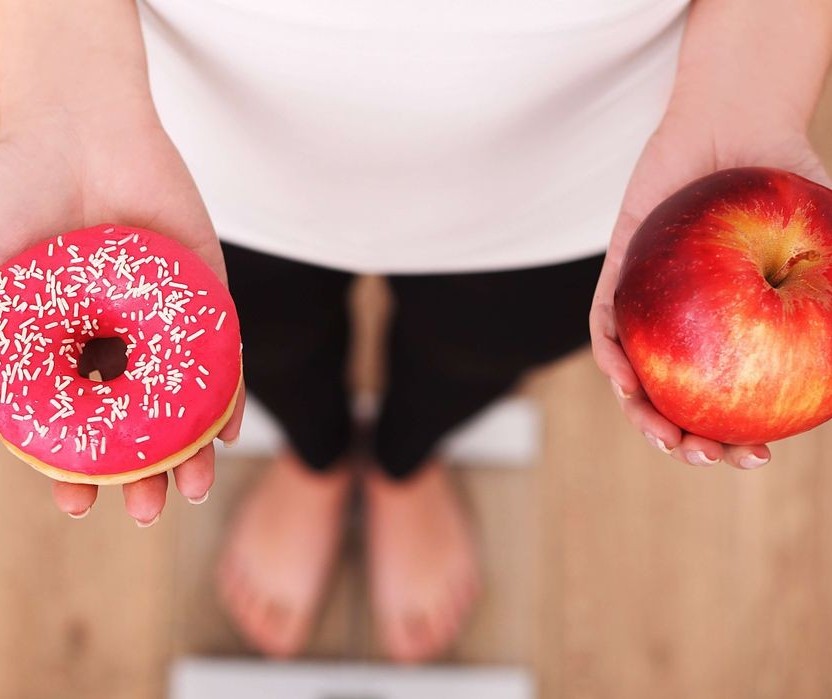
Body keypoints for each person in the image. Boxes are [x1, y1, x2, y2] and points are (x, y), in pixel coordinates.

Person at [0, 0, 829, 664]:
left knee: (478, 347)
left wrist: (746, 93)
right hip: (170, 141)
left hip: (598, 163)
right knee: (261, 344)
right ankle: (317, 458)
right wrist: (63, 86)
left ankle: (405, 459)